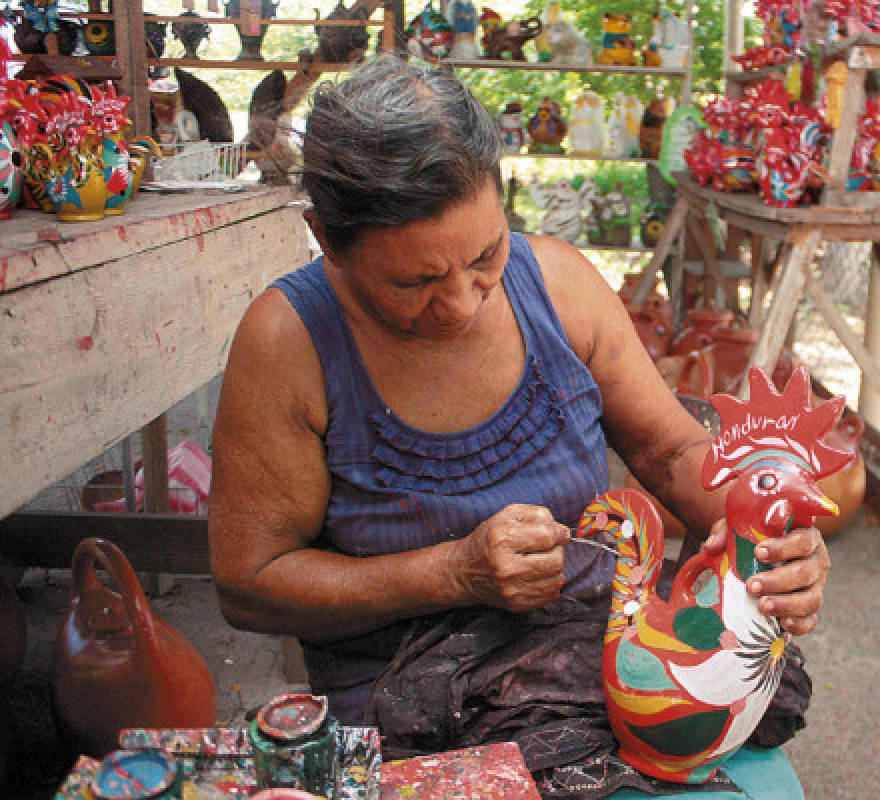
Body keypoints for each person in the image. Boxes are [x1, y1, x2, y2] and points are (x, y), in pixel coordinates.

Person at [208, 55, 829, 798]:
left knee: (744, 673)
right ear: (326, 239)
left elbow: (670, 451)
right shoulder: (290, 344)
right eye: (414, 283)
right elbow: (250, 584)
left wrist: (768, 539)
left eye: (485, 256)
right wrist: (449, 571)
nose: (463, 303)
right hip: (417, 688)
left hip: (589, 639)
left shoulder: (560, 287)